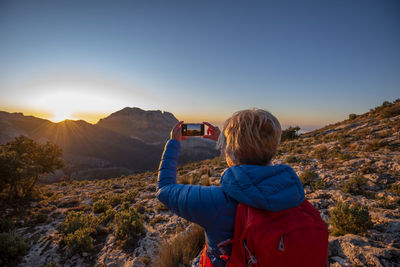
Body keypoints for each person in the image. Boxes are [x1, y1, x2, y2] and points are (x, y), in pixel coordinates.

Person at [157, 108, 327, 267]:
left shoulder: (215, 203)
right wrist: (222, 140)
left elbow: (164, 188)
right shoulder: (293, 194)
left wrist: (173, 143)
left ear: (230, 153)